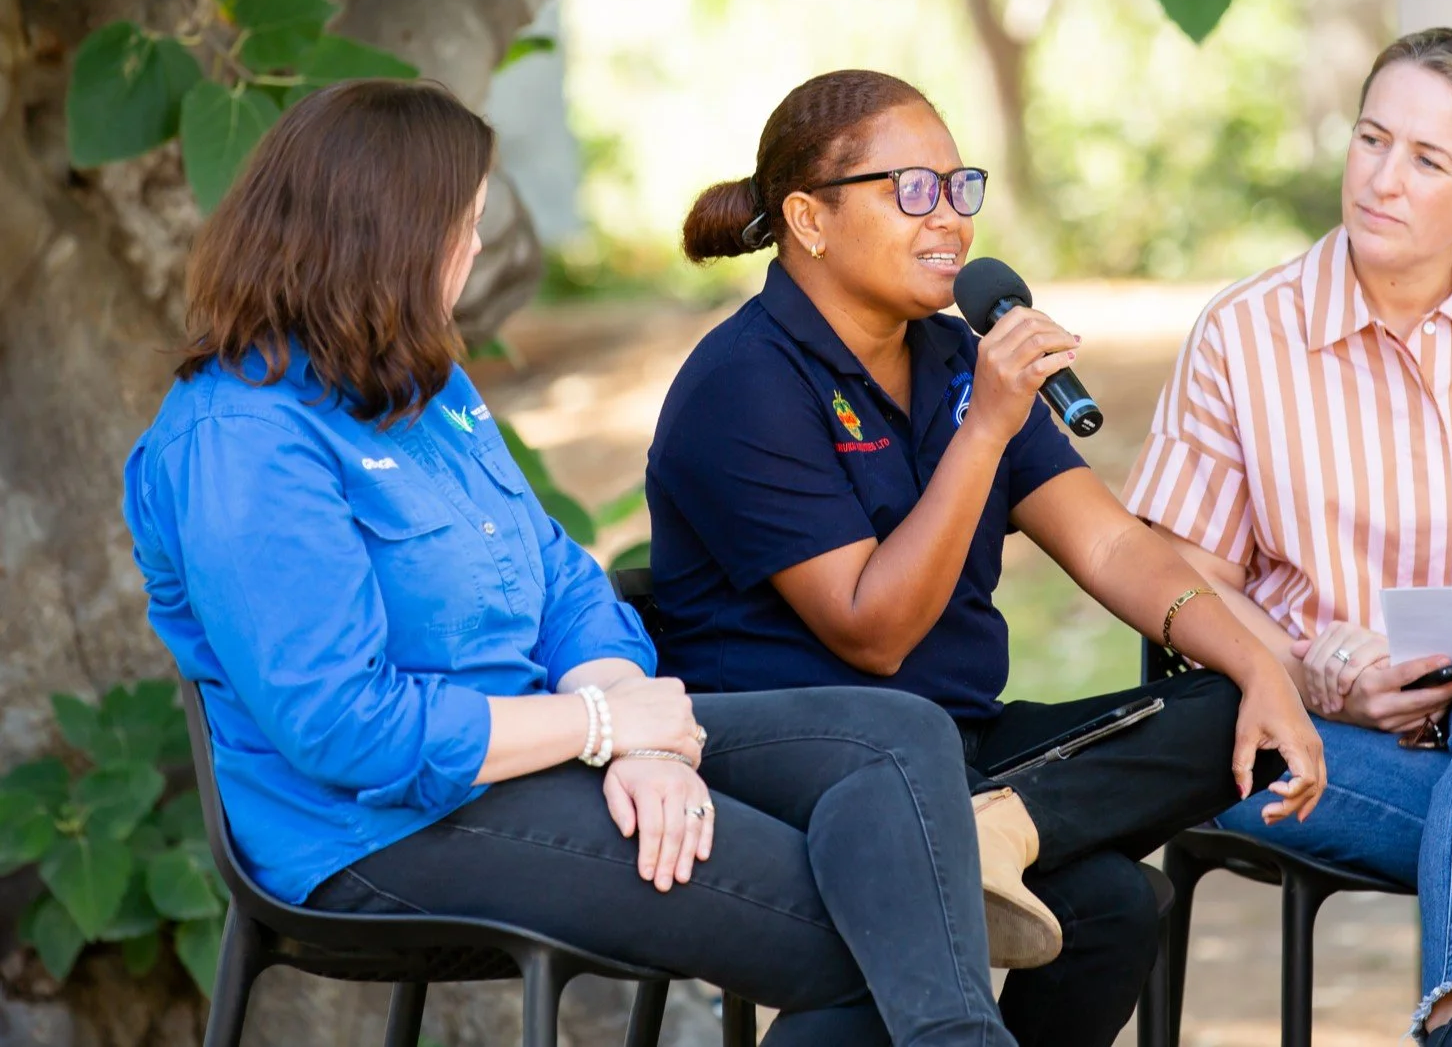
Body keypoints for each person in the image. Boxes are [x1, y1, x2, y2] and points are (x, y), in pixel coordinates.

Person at [122, 79, 1020, 1047]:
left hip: (544, 756)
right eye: (460, 228)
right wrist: (597, 725)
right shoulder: (241, 442)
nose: (471, 255)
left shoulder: (425, 388)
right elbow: (346, 729)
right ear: (382, 239)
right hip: (374, 828)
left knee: (892, 738)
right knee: (874, 936)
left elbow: (561, 582)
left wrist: (632, 729)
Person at [645, 69, 1327, 1047]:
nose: (950, 222)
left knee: (1225, 720)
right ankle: (968, 840)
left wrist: (1263, 662)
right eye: (909, 190)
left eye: (958, 186)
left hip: (958, 748)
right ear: (809, 218)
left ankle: (991, 831)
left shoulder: (955, 358)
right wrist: (985, 429)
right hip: (815, 771)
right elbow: (872, 632)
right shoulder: (742, 381)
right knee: (1069, 906)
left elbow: (1107, 540)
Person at [1127, 28, 1452, 1047]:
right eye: (1370, 140)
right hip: (1302, 740)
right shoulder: (1243, 333)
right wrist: (1307, 675)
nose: (1381, 179)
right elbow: (1182, 575)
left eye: (1425, 159)